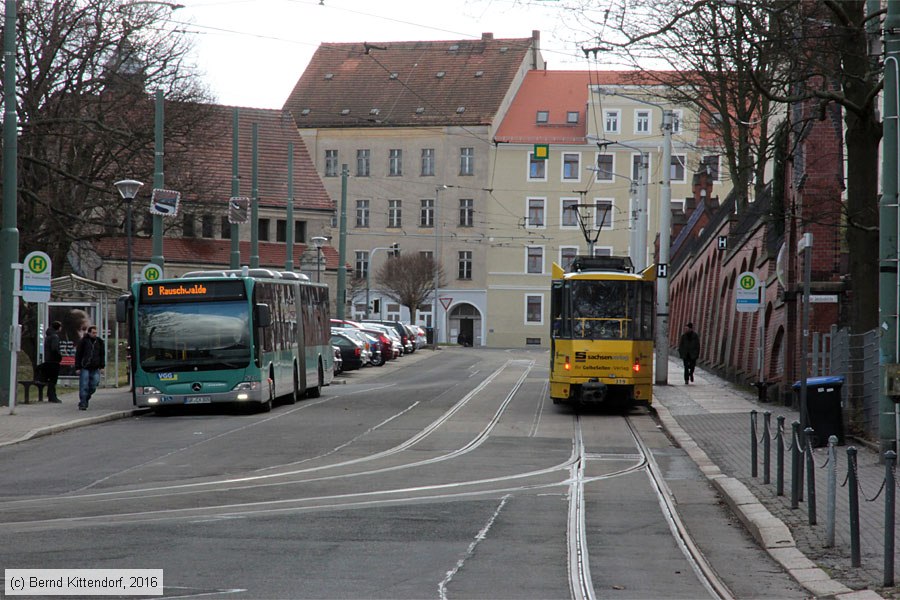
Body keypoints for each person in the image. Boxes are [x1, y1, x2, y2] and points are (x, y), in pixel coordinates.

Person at [74, 325, 105, 410]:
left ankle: (86, 397)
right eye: (93, 333)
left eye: (96, 333)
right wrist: (78, 367)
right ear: (89, 333)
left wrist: (102, 366)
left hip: (95, 367)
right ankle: (83, 403)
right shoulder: (83, 341)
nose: (95, 334)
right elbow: (78, 355)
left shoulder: (99, 342)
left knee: (94, 384)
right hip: (85, 367)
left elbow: (102, 354)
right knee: (84, 385)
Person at [43, 321, 63, 403]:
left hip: (48, 360)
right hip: (54, 361)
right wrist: (59, 357)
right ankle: (52, 396)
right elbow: (54, 349)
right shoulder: (55, 337)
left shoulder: (48, 336)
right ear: (58, 327)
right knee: (53, 379)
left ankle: (50, 395)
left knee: (50, 379)